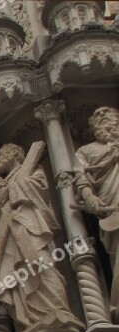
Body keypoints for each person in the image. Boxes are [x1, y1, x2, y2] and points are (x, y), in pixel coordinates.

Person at [0, 143, 82, 332]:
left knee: (45, 270)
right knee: (19, 280)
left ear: (15, 154)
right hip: (9, 239)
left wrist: (11, 190)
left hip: (31, 231)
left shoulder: (30, 171)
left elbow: (38, 192)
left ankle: (57, 311)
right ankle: (34, 321)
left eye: (1, 154)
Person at [74, 106, 119, 316]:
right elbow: (80, 177)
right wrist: (90, 197)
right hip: (112, 208)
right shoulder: (86, 151)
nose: (105, 120)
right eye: (99, 118)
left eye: (109, 116)